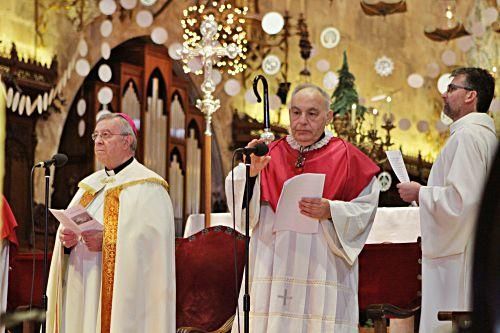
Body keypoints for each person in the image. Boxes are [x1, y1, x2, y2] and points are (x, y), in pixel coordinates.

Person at [226, 83, 381, 332]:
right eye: (296, 113)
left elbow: (366, 207)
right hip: (274, 261)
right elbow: (242, 208)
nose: (302, 121)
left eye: (312, 113)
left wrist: (331, 210)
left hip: (322, 263)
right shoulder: (268, 154)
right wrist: (251, 175)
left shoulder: (347, 157)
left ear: (328, 117)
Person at [46, 113, 176, 333]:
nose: (98, 140)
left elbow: (152, 248)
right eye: (95, 135)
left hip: (122, 297)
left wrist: (107, 242)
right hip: (83, 283)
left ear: (127, 140)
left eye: (106, 135)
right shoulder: (88, 187)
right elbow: (70, 229)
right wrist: (67, 242)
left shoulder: (149, 187)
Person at [397, 67, 497, 333]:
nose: (445, 94)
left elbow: (463, 201)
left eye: (452, 88)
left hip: (460, 255)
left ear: (471, 96)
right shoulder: (484, 136)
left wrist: (419, 192)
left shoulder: (468, 137)